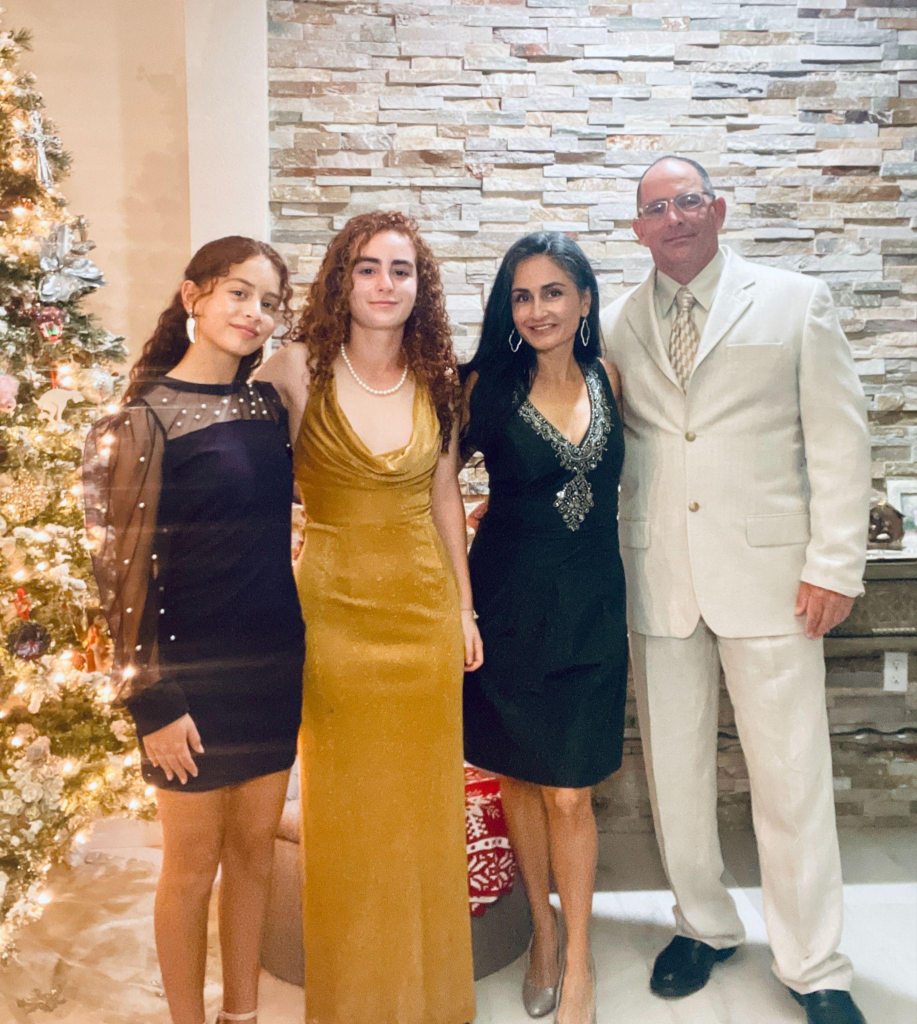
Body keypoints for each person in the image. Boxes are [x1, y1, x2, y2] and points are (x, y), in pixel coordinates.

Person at [600, 157, 871, 1024]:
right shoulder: (611, 323)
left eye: (688, 201)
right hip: (657, 578)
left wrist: (834, 562)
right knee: (674, 775)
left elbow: (839, 440)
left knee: (791, 778)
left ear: (716, 210)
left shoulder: (794, 302)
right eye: (655, 207)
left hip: (774, 580)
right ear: (636, 228)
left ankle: (813, 965)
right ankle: (702, 925)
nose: (673, 217)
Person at [256, 211, 482, 1024]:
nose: (384, 284)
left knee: (424, 813)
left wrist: (463, 608)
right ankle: (353, 1002)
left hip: (422, 613)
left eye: (401, 270)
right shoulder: (291, 371)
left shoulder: (436, 378)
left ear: (421, 287)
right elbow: (246, 484)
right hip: (331, 617)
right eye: (367, 268)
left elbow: (445, 497)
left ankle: (429, 1000)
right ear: (340, 281)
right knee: (346, 816)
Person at [83, 237, 305, 1024]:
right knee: (189, 869)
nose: (255, 314)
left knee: (253, 859)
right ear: (193, 296)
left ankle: (242, 1014)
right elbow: (117, 582)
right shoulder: (139, 419)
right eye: (239, 293)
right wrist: (153, 701)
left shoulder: (268, 407)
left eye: (270, 303)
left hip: (272, 669)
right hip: (187, 685)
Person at [462, 232, 627, 1024]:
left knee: (570, 792)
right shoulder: (486, 388)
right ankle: (544, 934)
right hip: (508, 608)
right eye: (521, 296)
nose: (536, 310)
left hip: (593, 607)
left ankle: (581, 960)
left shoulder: (611, 378)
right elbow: (424, 479)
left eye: (552, 292)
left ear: (584, 299)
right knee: (520, 780)